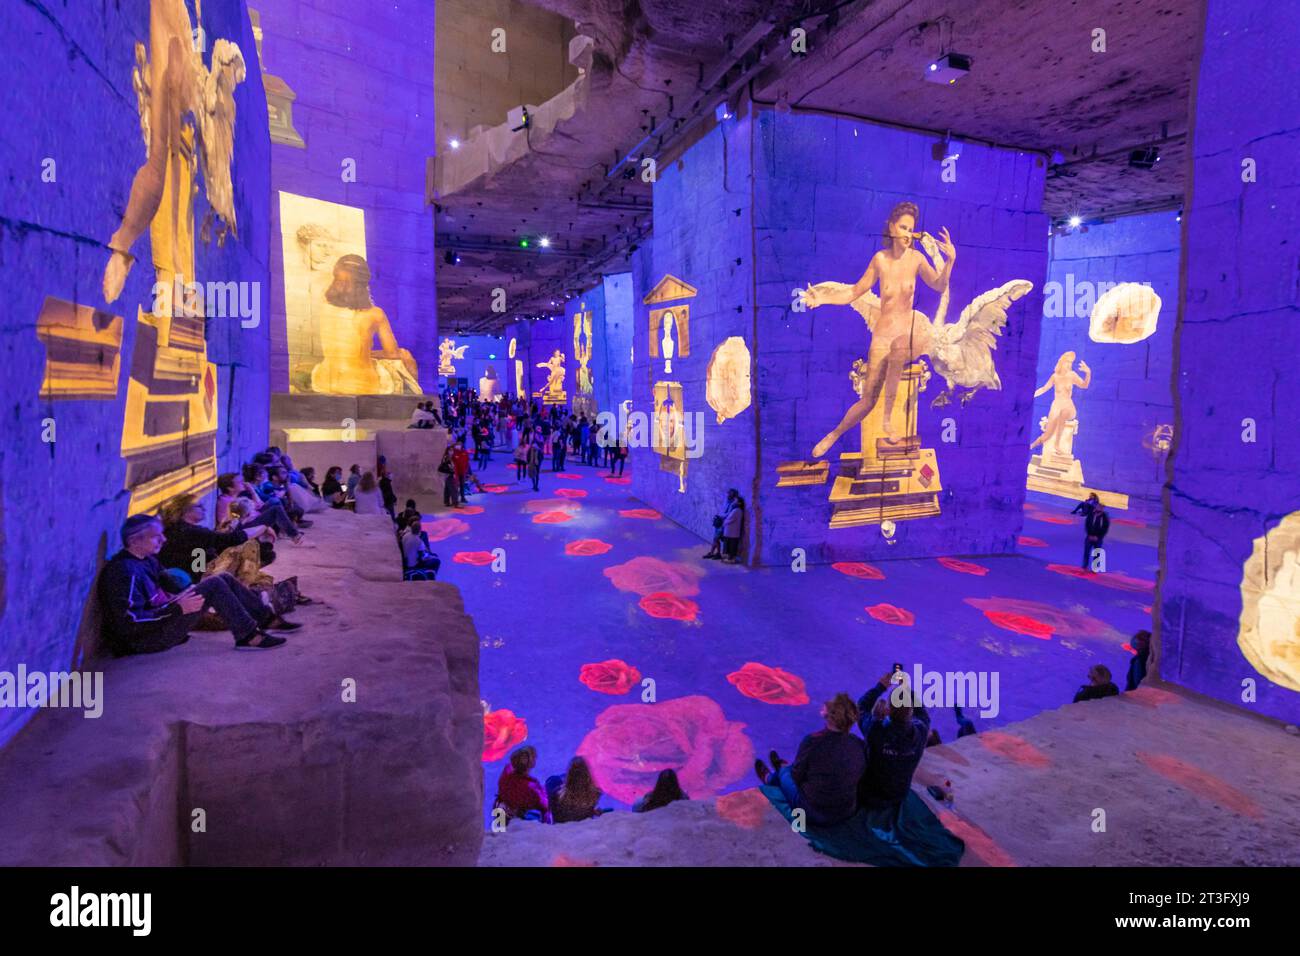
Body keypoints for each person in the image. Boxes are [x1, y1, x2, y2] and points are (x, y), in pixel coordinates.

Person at [800, 201, 956, 453]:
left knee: (898, 350)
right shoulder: (880, 260)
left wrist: (950, 261)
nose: (908, 233)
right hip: (882, 335)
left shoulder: (916, 259)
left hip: (907, 333)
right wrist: (823, 298)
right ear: (892, 227)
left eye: (911, 229)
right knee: (868, 399)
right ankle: (834, 434)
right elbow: (853, 291)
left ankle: (887, 420)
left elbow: (939, 286)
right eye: (903, 227)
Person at [99, 515, 295, 655]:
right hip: (146, 640)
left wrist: (184, 594)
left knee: (221, 580)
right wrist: (177, 608)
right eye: (156, 536)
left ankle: (265, 619)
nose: (163, 539)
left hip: (165, 617)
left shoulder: (147, 559)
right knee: (215, 583)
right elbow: (129, 622)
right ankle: (249, 636)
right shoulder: (124, 571)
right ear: (134, 540)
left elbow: (168, 586)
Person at [755, 693, 865, 827]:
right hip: (846, 811)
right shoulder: (858, 744)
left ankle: (771, 777)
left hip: (814, 812)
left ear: (830, 715)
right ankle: (780, 769)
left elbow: (796, 776)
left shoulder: (813, 742)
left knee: (786, 773)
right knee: (800, 769)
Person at [857, 670, 932, 813]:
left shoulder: (875, 729)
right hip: (898, 795)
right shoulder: (920, 731)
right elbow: (922, 713)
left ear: (888, 709)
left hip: (868, 794)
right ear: (911, 710)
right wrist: (905, 689)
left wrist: (881, 686)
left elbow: (860, 707)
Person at [158, 493, 275, 584]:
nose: (204, 508)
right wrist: (264, 526)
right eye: (199, 506)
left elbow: (209, 544)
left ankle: (247, 583)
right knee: (250, 546)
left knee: (260, 564)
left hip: (196, 568)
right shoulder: (188, 531)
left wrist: (221, 532)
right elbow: (234, 539)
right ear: (185, 511)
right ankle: (244, 585)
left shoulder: (179, 528)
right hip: (196, 577)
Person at [216, 472, 301, 541]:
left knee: (274, 502)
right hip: (241, 529)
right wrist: (266, 527)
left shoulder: (237, 497)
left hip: (250, 519)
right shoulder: (228, 501)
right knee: (275, 509)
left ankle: (286, 531)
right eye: (239, 482)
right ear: (230, 488)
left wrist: (252, 491)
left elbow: (259, 505)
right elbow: (234, 522)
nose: (243, 483)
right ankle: (295, 536)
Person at [494, 745, 551, 824]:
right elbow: (544, 805)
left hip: (504, 818)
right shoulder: (531, 788)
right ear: (531, 763)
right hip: (522, 825)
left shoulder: (505, 778)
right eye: (533, 758)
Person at [544, 756, 605, 824]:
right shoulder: (596, 794)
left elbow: (555, 816)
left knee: (552, 781)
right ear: (588, 775)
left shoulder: (556, 794)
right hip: (581, 818)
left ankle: (571, 777)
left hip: (563, 825)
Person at [1083, 500, 1110, 571]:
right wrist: (1089, 535)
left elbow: (1105, 529)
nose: (1099, 508)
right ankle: (1084, 566)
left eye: (1101, 507)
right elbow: (1087, 525)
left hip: (1098, 539)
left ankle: (1095, 568)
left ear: (1103, 509)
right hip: (1089, 537)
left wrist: (1098, 537)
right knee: (1086, 551)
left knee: (1097, 553)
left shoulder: (1105, 517)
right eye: (1098, 507)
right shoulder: (1091, 514)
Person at [720, 490, 745, 563]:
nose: (733, 502)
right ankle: (729, 557)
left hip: (732, 532)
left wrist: (723, 522)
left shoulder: (737, 510)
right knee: (729, 544)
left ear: (739, 503)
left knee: (732, 546)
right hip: (730, 531)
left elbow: (729, 519)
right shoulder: (735, 510)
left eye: (735, 501)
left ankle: (732, 559)